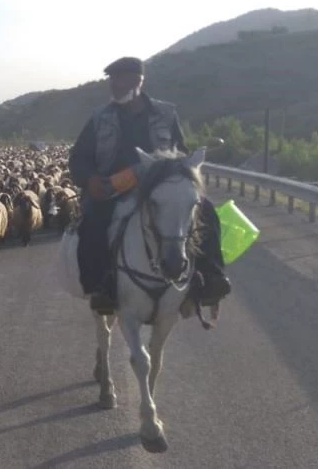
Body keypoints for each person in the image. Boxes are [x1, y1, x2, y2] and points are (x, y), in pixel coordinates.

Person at [69, 56, 231, 315]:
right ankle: (102, 285)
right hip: (114, 189)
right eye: (112, 81)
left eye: (117, 81)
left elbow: (182, 153)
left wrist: (180, 173)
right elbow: (78, 158)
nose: (113, 86)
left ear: (137, 82)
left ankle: (209, 276)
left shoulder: (165, 114)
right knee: (93, 220)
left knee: (206, 211)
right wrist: (89, 179)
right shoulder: (101, 117)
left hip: (160, 186)